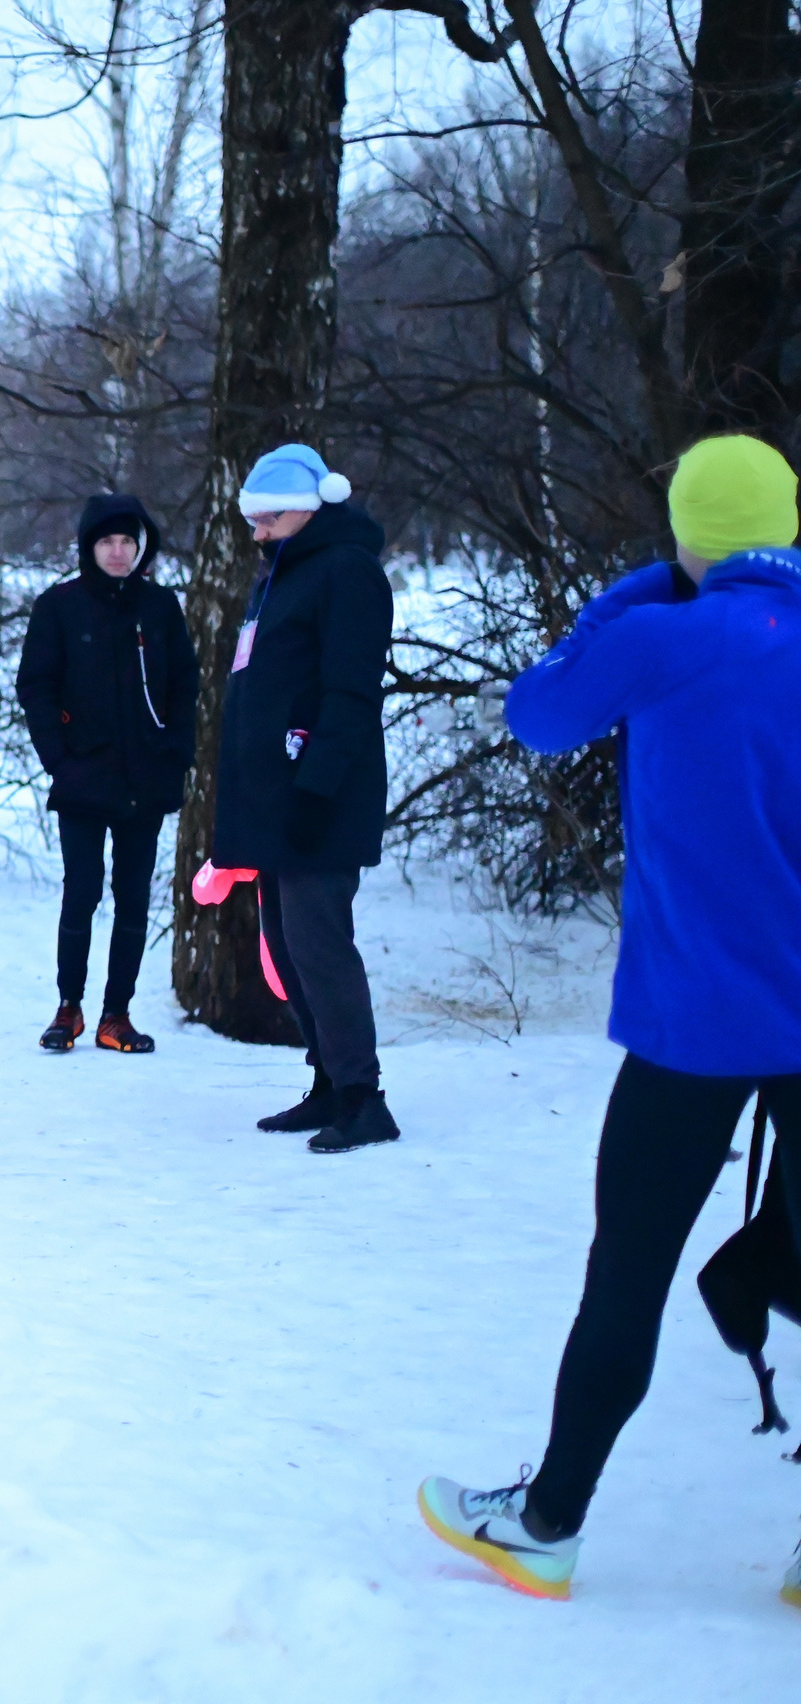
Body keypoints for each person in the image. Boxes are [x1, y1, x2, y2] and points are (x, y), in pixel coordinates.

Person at [418, 434, 801, 1607]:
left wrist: (641, 584)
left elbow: (534, 711)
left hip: (698, 1024)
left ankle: (545, 1524)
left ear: (688, 533)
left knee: (625, 1270)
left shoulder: (661, 635)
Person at [210, 443, 397, 1154]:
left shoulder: (347, 573)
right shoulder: (281, 575)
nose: (255, 533)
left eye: (267, 518)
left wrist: (317, 788)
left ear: (311, 508)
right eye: (251, 520)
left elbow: (351, 693)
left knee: (320, 948)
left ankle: (362, 1097)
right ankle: (327, 1082)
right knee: (287, 950)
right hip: (274, 799)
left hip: (320, 796)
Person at [16, 494, 197, 1054]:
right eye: (106, 541)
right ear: (88, 547)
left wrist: (175, 756)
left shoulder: (161, 606)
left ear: (140, 547)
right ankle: (68, 1006)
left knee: (134, 898)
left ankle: (116, 1014)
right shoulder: (59, 607)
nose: (117, 552)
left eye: (127, 542)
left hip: (147, 779)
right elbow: (35, 687)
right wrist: (59, 760)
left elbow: (185, 688)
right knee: (82, 893)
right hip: (82, 778)